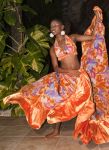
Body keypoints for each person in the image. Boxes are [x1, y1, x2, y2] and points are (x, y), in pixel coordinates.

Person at [3, 6, 99, 144]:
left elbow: (93, 37)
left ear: (62, 27)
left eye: (55, 25)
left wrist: (97, 19)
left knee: (87, 102)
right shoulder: (53, 49)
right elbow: (56, 68)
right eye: (51, 26)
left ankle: (88, 127)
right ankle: (56, 130)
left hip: (80, 77)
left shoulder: (73, 38)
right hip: (65, 78)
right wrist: (70, 72)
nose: (53, 27)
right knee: (58, 102)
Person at [73, 6, 109, 144]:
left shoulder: (95, 40)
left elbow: (95, 36)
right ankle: (91, 124)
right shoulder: (79, 36)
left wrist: (98, 20)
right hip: (87, 69)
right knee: (89, 95)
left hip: (96, 69)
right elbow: (91, 37)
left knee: (99, 93)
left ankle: (99, 123)